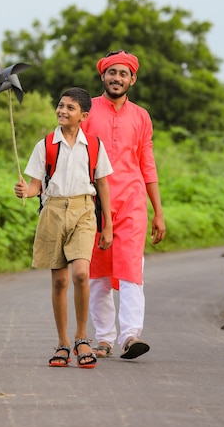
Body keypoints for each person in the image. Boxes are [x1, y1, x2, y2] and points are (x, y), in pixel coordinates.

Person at [14, 87, 113, 368]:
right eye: (60, 105)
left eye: (70, 108)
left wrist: (108, 225)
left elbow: (102, 183)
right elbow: (36, 185)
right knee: (59, 280)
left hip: (84, 210)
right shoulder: (45, 144)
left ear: (83, 115)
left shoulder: (94, 145)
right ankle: (63, 343)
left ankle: (82, 337)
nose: (62, 111)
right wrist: (26, 191)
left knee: (82, 273)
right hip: (53, 211)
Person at [81, 50, 166, 360]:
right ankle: (103, 338)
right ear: (103, 76)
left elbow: (147, 163)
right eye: (112, 72)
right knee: (98, 273)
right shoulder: (87, 111)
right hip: (93, 203)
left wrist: (158, 211)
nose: (117, 78)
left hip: (132, 201)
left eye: (123, 73)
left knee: (132, 269)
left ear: (133, 78)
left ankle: (131, 335)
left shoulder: (141, 116)